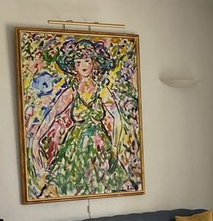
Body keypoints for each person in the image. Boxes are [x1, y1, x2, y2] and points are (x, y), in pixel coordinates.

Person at [28, 38, 140, 198]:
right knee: (62, 185)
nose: (83, 65)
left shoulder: (102, 90)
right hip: (74, 149)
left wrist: (115, 145)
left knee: (107, 184)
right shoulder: (71, 91)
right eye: (78, 62)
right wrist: (36, 139)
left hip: (100, 147)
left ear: (94, 62)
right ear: (74, 66)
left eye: (87, 60)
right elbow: (52, 114)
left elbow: (117, 118)